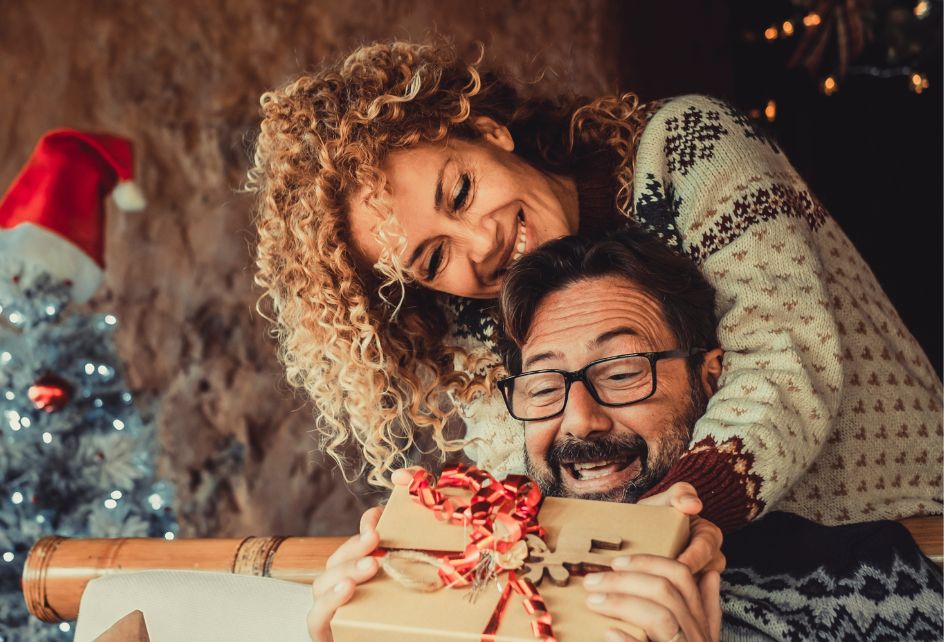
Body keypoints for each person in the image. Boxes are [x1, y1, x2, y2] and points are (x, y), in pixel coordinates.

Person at [234, 230, 943, 642]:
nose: (580, 422)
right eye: (544, 386)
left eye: (624, 370)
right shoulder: (464, 572)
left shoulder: (858, 579)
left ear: (711, 377)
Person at [245, 40, 942, 533]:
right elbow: (523, 474)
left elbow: (784, 351)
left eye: (459, 191)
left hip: (900, 522)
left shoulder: (686, 149)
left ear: (487, 130)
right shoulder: (481, 326)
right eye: (432, 258)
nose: (480, 243)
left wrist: (667, 524)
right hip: (741, 591)